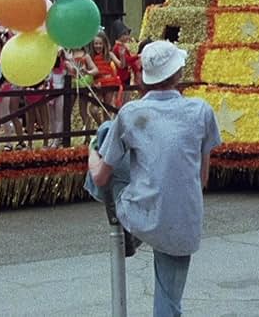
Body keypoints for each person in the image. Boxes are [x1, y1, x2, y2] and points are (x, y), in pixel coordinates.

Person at [89, 40, 222, 317]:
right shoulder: (201, 111)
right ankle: (129, 224)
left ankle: (119, 218)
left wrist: (91, 152)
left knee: (104, 132)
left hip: (143, 212)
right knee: (169, 302)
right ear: (178, 74)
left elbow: (101, 177)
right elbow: (203, 177)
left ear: (144, 78)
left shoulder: (131, 113)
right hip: (183, 219)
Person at [90, 32, 123, 119]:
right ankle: (101, 126)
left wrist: (122, 56)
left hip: (109, 83)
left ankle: (106, 129)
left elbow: (121, 65)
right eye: (96, 44)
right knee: (93, 110)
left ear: (104, 44)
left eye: (100, 43)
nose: (98, 46)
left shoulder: (109, 54)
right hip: (97, 84)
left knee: (107, 109)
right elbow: (89, 72)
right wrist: (93, 83)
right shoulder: (91, 56)